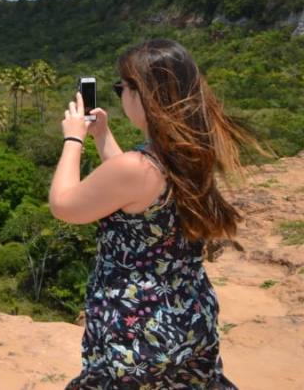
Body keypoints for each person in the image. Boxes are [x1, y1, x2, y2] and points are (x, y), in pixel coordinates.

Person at [49, 38, 259, 388]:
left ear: (145, 94)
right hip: (186, 309)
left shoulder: (139, 167)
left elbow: (64, 205)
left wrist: (73, 139)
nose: (121, 94)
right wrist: (102, 136)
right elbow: (137, 191)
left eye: (123, 87)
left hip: (138, 323)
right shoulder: (191, 152)